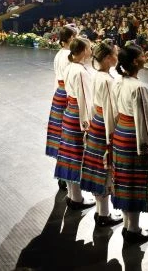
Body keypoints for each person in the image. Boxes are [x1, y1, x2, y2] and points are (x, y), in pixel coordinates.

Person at [111, 43, 148, 243]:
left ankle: (129, 225)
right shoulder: (139, 88)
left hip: (120, 132)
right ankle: (133, 230)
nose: (145, 57)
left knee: (123, 180)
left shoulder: (119, 82)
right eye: (142, 55)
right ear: (134, 62)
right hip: (133, 137)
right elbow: (145, 122)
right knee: (135, 182)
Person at [80, 40, 123, 227]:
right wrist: (111, 138)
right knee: (104, 169)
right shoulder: (106, 80)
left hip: (96, 122)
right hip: (104, 127)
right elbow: (110, 110)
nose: (117, 56)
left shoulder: (98, 75)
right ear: (107, 58)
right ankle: (104, 214)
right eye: (115, 53)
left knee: (97, 168)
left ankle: (101, 211)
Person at [54, 37, 96, 210]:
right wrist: (87, 125)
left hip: (70, 113)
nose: (92, 51)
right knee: (77, 156)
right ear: (84, 50)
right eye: (90, 48)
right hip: (78, 115)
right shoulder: (80, 71)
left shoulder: (71, 67)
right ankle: (77, 198)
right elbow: (85, 101)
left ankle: (73, 195)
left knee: (69, 156)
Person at [45, 24, 78, 194]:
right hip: (66, 94)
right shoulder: (67, 56)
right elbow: (69, 79)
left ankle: (62, 176)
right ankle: (64, 176)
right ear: (70, 39)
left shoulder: (60, 54)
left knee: (61, 136)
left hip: (60, 93)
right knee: (66, 137)